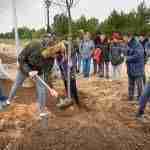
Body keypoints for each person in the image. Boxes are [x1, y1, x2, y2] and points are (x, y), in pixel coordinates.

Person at [5, 35, 60, 116]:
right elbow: (21, 58)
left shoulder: (51, 59)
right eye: (55, 55)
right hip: (25, 67)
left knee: (41, 89)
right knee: (17, 84)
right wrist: (29, 71)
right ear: (50, 50)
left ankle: (41, 111)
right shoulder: (34, 45)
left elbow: (47, 74)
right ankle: (9, 100)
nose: (55, 57)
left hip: (38, 71)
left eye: (56, 56)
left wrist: (51, 88)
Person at [125, 35, 144, 101]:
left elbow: (138, 56)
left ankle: (140, 97)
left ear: (129, 37)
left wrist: (127, 58)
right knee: (130, 84)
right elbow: (127, 53)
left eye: (125, 37)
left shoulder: (138, 45)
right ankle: (130, 96)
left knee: (139, 85)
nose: (124, 38)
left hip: (137, 68)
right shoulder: (129, 44)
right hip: (130, 68)